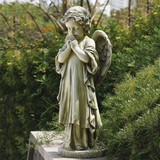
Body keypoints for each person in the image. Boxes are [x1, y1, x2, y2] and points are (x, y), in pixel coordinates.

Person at [55, 6, 102, 150]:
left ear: (85, 27)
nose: (72, 32)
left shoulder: (89, 42)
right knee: (71, 110)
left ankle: (83, 142)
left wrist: (75, 48)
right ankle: (71, 142)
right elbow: (61, 59)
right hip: (69, 83)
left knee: (80, 111)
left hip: (82, 85)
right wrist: (69, 47)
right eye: (69, 29)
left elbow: (87, 59)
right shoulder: (68, 41)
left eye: (76, 28)